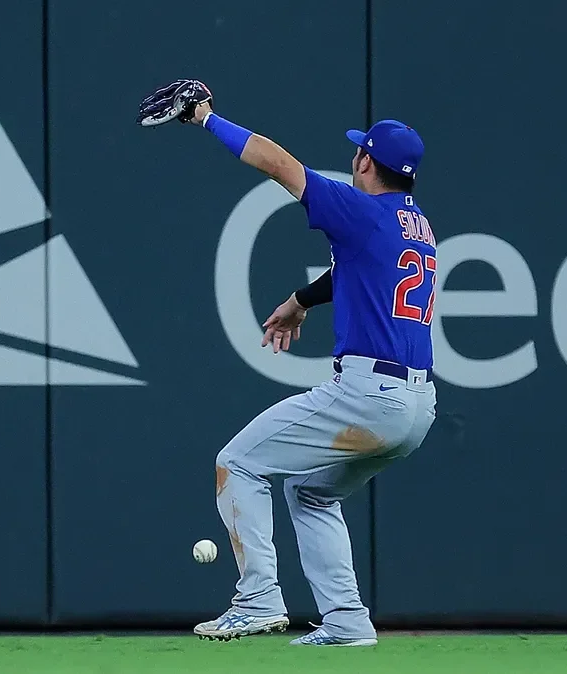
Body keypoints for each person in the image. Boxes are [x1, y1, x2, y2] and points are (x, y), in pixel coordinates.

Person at [186, 96, 438, 647]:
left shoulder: (360, 210)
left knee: (238, 463)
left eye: (359, 152)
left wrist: (206, 118)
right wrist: (301, 300)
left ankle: (257, 599)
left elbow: (277, 163)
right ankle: (346, 620)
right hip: (418, 406)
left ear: (366, 162)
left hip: (370, 395)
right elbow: (354, 270)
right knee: (311, 493)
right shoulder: (417, 226)